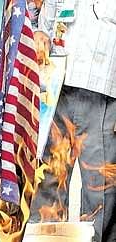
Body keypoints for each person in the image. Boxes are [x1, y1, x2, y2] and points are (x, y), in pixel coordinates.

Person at [31, 1, 116, 242]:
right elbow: (43, 26)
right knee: (49, 182)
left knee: (100, 190)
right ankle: (46, 239)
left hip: (103, 96)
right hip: (58, 91)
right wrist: (40, 35)